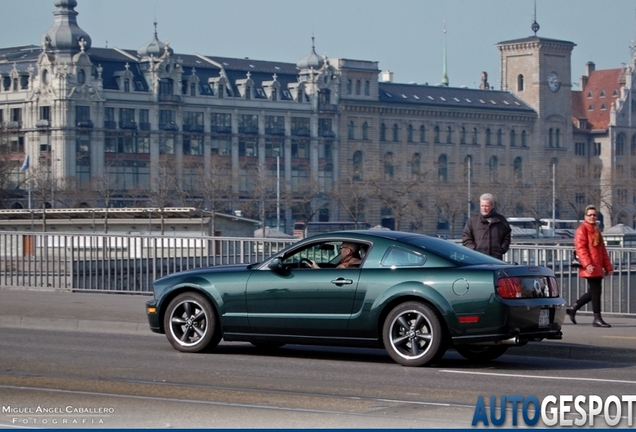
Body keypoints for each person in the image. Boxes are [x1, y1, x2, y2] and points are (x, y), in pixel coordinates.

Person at [566, 205, 613, 327]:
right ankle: (597, 318)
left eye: (594, 215)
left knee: (593, 292)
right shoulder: (582, 229)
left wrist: (608, 267)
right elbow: (580, 249)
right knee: (596, 292)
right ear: (585, 216)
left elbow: (602, 251)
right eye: (589, 215)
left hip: (597, 265)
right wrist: (587, 264)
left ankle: (573, 308)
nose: (592, 217)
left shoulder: (596, 230)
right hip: (590, 266)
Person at [462, 193, 511, 260]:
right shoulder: (472, 221)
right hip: (477, 258)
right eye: (482, 206)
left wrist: (502, 249)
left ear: (492, 206)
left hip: (496, 258)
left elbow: (507, 236)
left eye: (486, 206)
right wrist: (474, 250)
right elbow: (466, 238)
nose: (484, 208)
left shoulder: (501, 220)